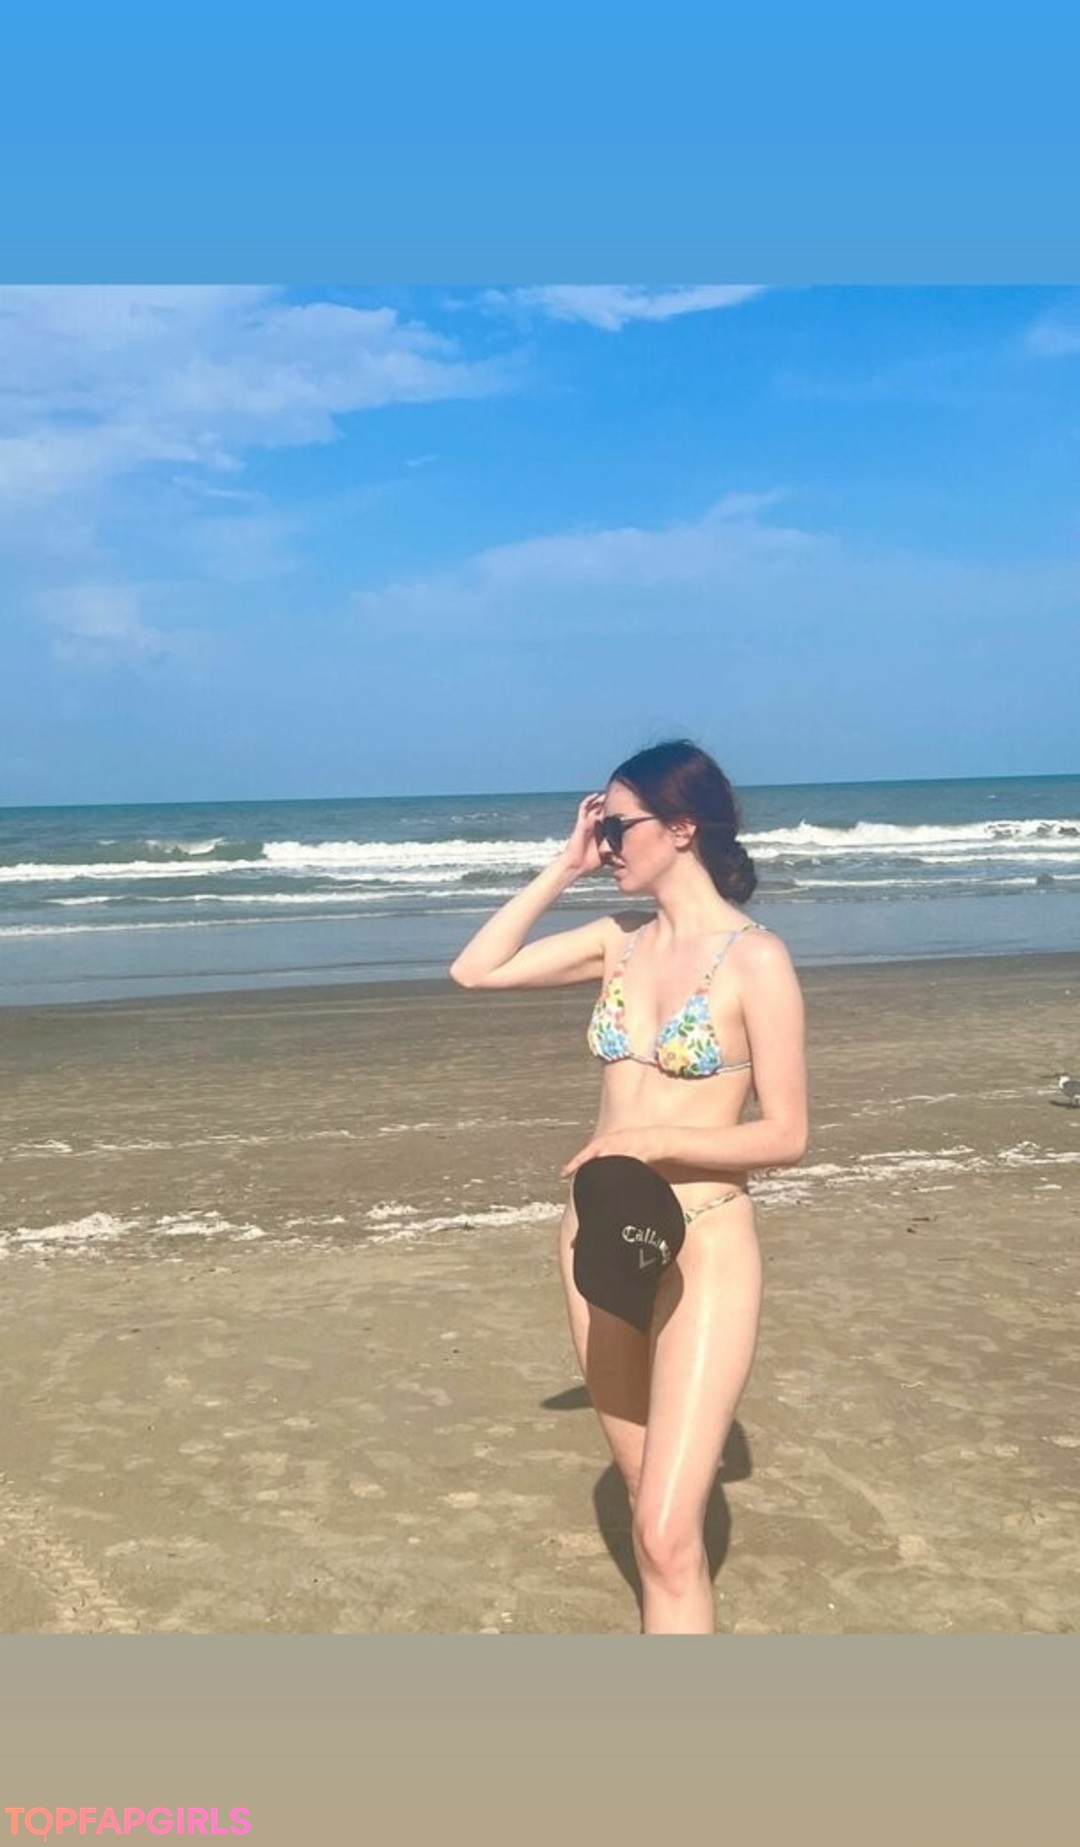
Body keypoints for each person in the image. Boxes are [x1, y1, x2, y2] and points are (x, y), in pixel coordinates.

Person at [449, 739, 808, 1633]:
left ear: (681, 827)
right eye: (600, 828)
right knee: (655, 1526)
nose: (606, 842)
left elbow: (788, 1133)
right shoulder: (618, 943)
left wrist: (654, 1139)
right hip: (596, 1242)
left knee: (663, 1531)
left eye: (618, 827)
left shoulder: (756, 959)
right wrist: (563, 866)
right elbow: (475, 968)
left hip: (703, 1242)